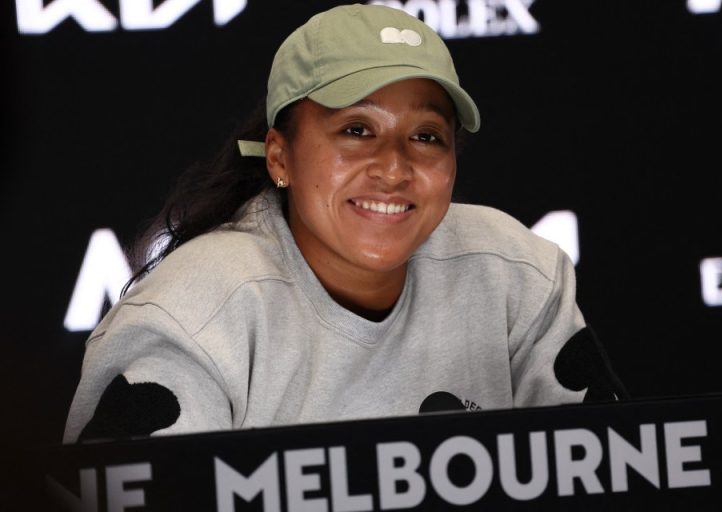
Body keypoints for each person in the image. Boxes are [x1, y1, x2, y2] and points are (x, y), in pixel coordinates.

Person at [63, 3, 625, 443]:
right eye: (357, 129)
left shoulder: (516, 273)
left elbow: (617, 473)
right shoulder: (192, 314)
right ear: (280, 157)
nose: (394, 167)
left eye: (426, 136)